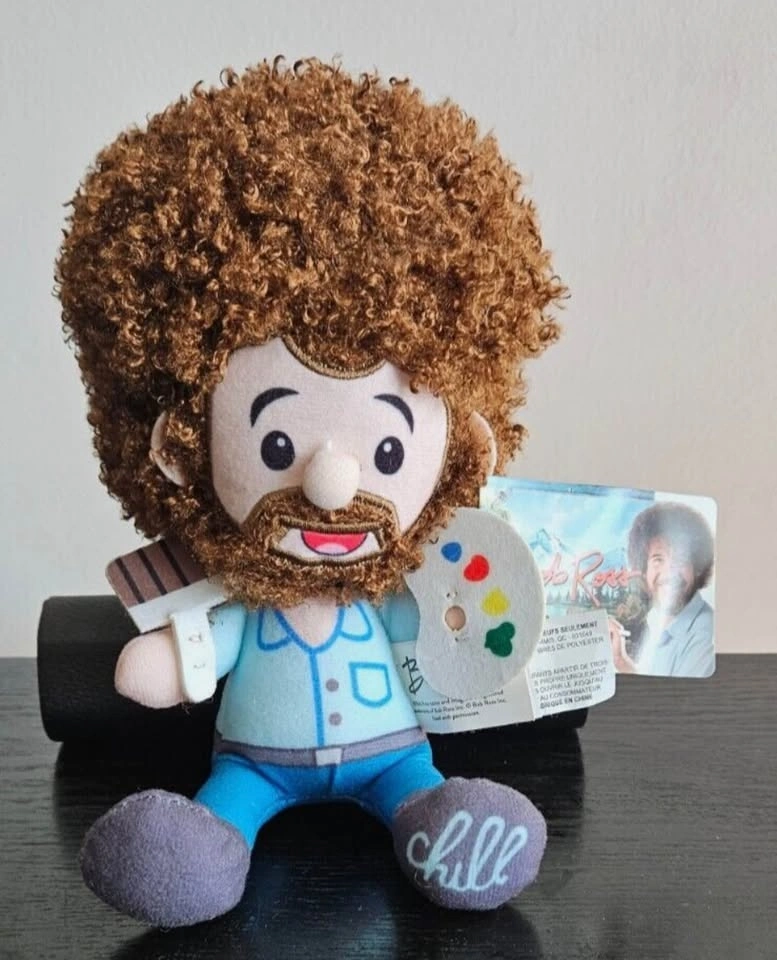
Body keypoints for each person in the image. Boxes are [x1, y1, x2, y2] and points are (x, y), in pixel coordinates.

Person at [56, 60, 564, 925]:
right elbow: (183, 656)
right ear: (176, 445)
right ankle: (198, 851)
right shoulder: (239, 598)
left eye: (389, 447)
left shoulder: (403, 586)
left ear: (461, 447)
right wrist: (166, 662)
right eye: (276, 443)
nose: (332, 483)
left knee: (415, 782)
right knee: (229, 798)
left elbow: (444, 631)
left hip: (393, 754)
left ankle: (433, 819)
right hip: (252, 762)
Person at [610, 502, 715, 677]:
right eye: (658, 559)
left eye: (681, 559)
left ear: (697, 567)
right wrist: (621, 661)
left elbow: (676, 695)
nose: (669, 573)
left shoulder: (705, 635)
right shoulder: (657, 621)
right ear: (644, 570)